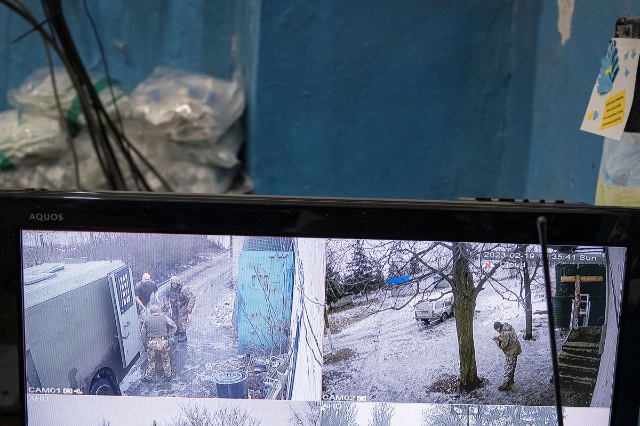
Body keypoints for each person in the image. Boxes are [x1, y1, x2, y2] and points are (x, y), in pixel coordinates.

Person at [142, 305, 177, 381]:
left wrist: (145, 345)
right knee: (165, 359)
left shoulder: (147, 319)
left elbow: (143, 334)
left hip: (152, 343)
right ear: (159, 311)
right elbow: (174, 326)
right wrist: (170, 336)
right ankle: (168, 375)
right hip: (163, 342)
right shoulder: (164, 317)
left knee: (151, 360)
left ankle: (148, 377)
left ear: (151, 312)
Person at [165, 276, 196, 342]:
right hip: (174, 305)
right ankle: (177, 330)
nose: (174, 285)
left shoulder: (184, 289)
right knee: (174, 318)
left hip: (183, 305)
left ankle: (183, 334)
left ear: (178, 284)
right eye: (173, 283)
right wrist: (166, 303)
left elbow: (192, 298)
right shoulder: (168, 288)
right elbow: (165, 296)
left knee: (182, 319)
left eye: (175, 283)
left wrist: (190, 307)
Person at [493, 321, 522, 391]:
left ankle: (506, 385)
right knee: (512, 366)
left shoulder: (505, 333)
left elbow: (504, 346)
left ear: (499, 327)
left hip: (511, 352)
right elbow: (508, 338)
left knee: (508, 368)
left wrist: (497, 341)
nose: (497, 331)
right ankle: (510, 380)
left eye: (496, 330)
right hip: (515, 349)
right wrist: (499, 338)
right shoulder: (507, 328)